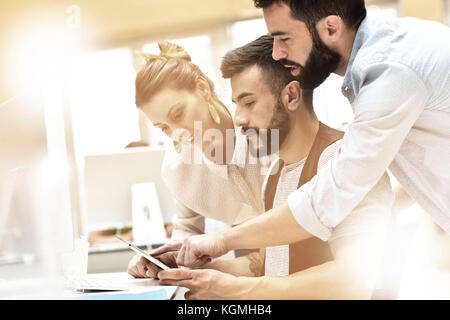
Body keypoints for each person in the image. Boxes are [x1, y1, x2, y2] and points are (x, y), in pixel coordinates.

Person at [171, 0, 450, 270]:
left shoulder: (390, 74)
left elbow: (328, 196)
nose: (277, 53)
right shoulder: (393, 48)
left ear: (331, 28)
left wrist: (222, 241)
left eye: (284, 38)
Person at [156, 35, 393, 299]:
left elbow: (357, 278)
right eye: (236, 105)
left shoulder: (343, 161)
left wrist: (239, 290)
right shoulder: (274, 176)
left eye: (249, 103)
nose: (239, 119)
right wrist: (187, 271)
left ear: (291, 95)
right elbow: (265, 265)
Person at [127, 41, 271, 278]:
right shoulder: (178, 167)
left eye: (178, 114)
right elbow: (188, 227)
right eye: (164, 127)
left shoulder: (259, 124)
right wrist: (167, 259)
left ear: (202, 88)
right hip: (248, 252)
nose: (178, 133)